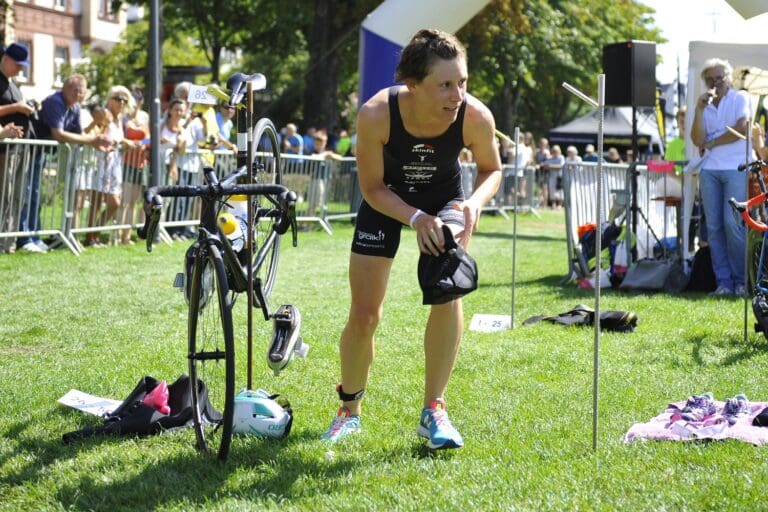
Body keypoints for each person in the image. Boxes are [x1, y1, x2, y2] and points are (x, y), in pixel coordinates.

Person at [320, 28, 501, 449]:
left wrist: (472, 204)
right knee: (365, 314)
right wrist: (415, 217)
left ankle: (434, 410)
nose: (457, 94)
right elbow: (372, 189)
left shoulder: (475, 116)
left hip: (446, 202)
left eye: (462, 82)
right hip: (387, 202)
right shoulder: (376, 113)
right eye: (445, 84)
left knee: (446, 293)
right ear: (413, 85)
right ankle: (349, 410)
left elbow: (492, 170)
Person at [19, 74, 112, 252]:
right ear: (65, 88)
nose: (78, 95)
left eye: (82, 92)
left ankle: (35, 236)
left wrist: (97, 141)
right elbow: (59, 134)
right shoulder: (56, 102)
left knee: (35, 194)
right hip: (30, 149)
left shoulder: (75, 107)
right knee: (28, 192)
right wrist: (92, 141)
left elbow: (78, 134)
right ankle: (25, 238)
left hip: (42, 152)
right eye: (76, 90)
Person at [691, 58, 751, 296]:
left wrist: (713, 141)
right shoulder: (704, 105)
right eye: (710, 79)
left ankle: (740, 282)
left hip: (735, 166)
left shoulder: (740, 98)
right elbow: (697, 139)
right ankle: (723, 283)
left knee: (732, 224)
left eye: (719, 77)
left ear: (729, 77)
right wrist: (698, 109)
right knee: (714, 227)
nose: (715, 82)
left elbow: (742, 128)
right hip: (709, 169)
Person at [0, 43, 33, 253]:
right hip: (5, 150)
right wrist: (16, 107)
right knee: (6, 195)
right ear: (6, 58)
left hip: (21, 148)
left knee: (18, 196)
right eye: (18, 65)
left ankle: (9, 243)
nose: (21, 69)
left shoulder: (12, 84)